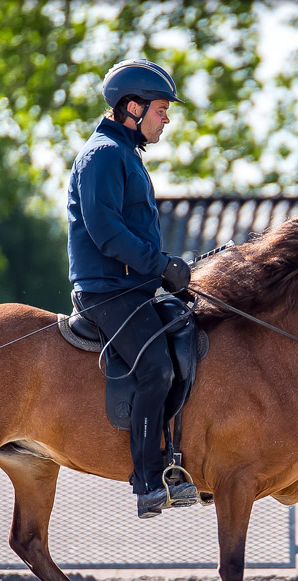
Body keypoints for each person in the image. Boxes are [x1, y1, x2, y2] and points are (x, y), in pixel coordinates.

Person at [66, 59, 198, 519]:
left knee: (190, 342)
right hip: (106, 293)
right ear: (133, 108)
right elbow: (107, 233)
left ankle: (180, 462)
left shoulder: (124, 154)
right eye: (162, 110)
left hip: (133, 288)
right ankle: (147, 479)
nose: (167, 120)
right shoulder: (103, 154)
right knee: (156, 367)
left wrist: (167, 274)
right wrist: (161, 265)